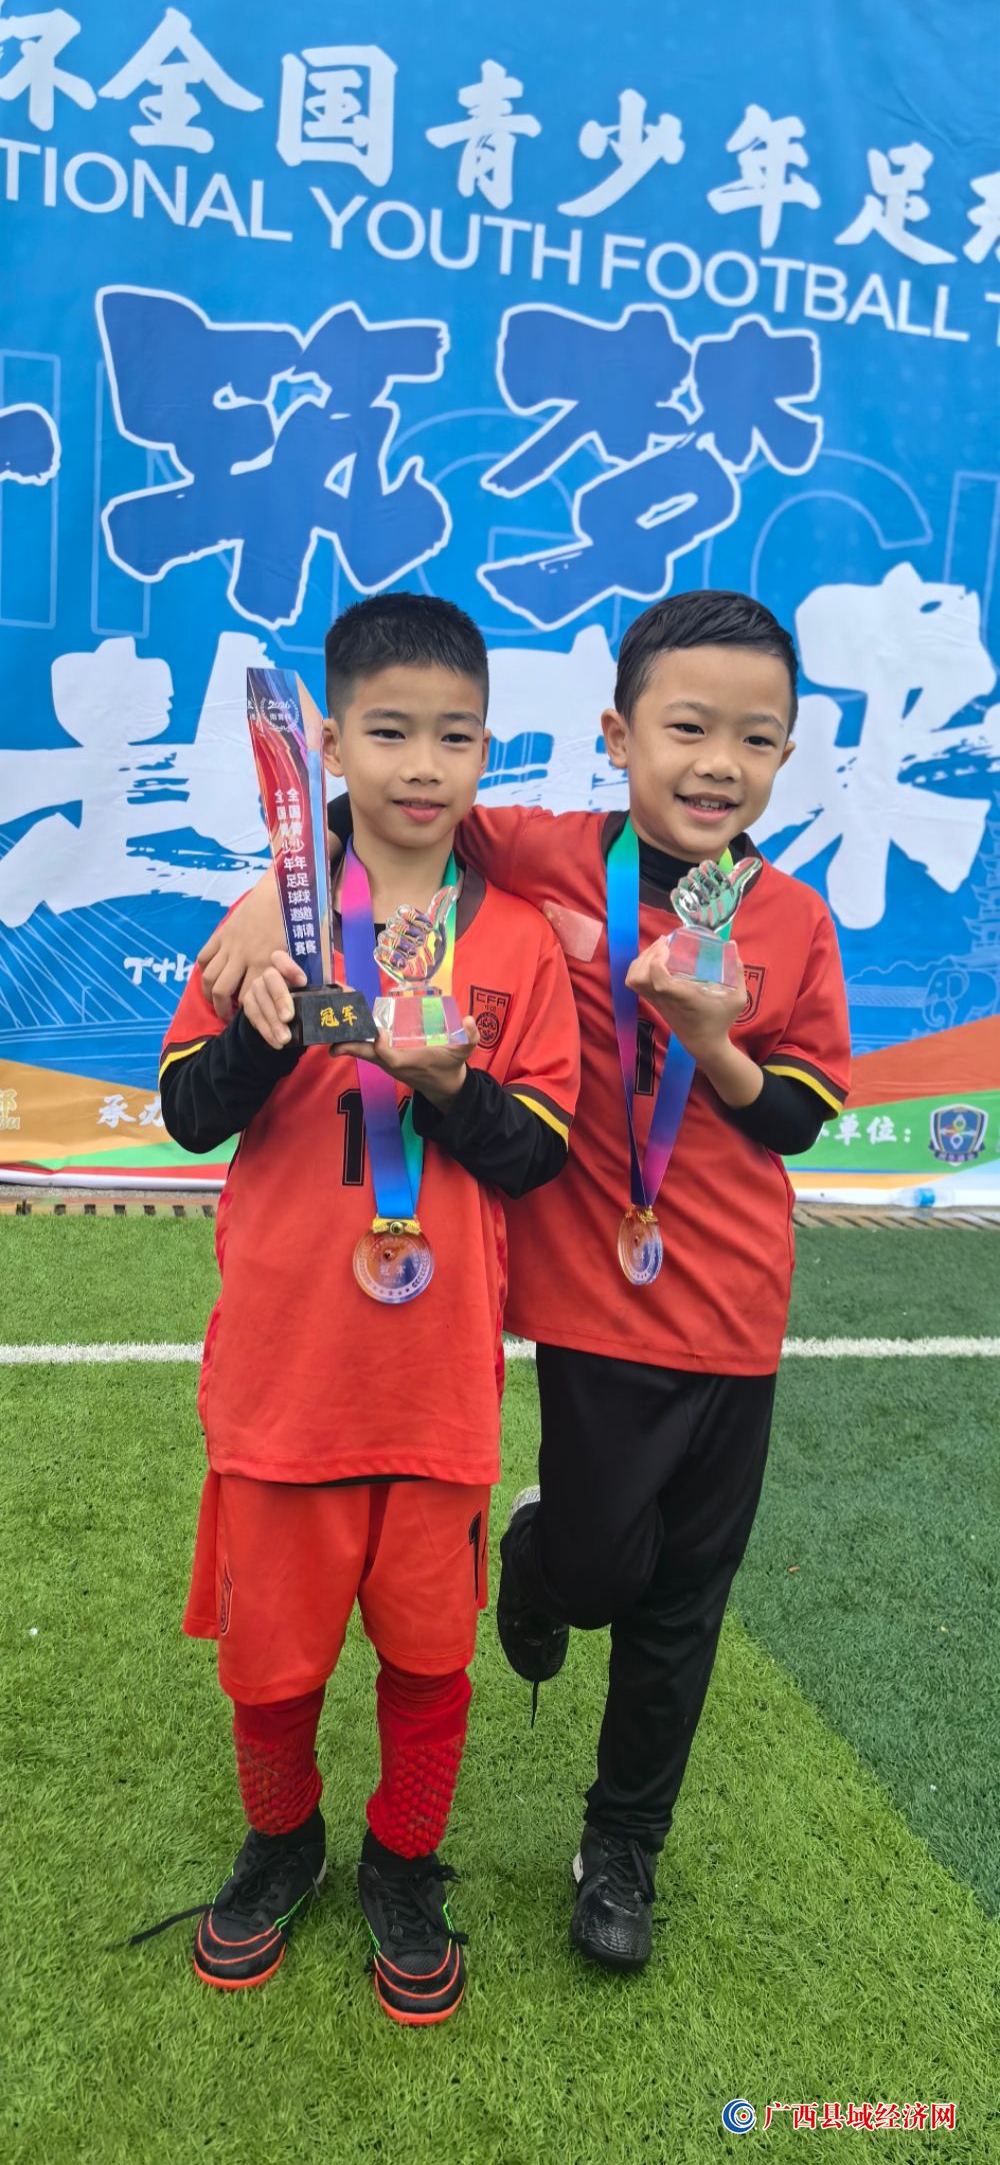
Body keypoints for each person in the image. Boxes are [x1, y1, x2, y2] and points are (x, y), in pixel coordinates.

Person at [198, 589, 851, 1976]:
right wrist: (272, 894)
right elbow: (381, 813)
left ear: (789, 755)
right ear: (617, 735)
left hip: (738, 1303)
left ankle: (622, 1847)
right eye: (687, 727)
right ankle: (544, 1557)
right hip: (586, 1301)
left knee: (684, 1606)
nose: (717, 763)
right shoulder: (546, 851)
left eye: (756, 739)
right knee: (601, 1570)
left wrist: (716, 1044)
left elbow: (800, 1112)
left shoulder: (791, 917)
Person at [158, 593, 579, 2020]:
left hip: (434, 1389)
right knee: (272, 1664)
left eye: (455, 737)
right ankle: (284, 1840)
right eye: (389, 732)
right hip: (286, 1383)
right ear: (331, 746)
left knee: (430, 1655)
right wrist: (260, 1035)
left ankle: (404, 1858)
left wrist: (452, 1084)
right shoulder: (263, 923)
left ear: (486, 752)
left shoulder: (517, 942)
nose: (422, 764)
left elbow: (537, 1155)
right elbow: (187, 1115)